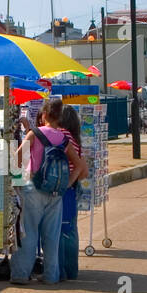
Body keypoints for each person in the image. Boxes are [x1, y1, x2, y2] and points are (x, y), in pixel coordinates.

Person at [10, 97, 86, 284]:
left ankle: (21, 274)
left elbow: (16, 158)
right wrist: (67, 183)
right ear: (59, 117)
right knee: (51, 236)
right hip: (56, 192)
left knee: (28, 232)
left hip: (33, 188)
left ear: (44, 114)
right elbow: (79, 165)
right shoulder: (63, 138)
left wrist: (21, 173)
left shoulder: (34, 134)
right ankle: (51, 276)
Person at [57, 105, 87, 280]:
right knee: (70, 228)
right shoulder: (75, 139)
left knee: (62, 230)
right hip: (73, 188)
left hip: (65, 188)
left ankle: (63, 270)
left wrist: (68, 182)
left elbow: (80, 167)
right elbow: (83, 169)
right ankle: (70, 269)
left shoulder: (63, 136)